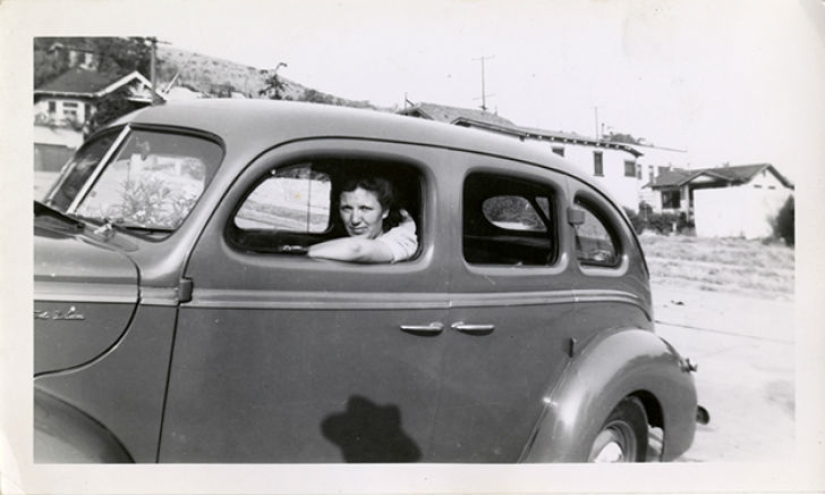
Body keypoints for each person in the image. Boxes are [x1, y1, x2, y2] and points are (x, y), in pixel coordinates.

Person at [307, 176, 417, 263]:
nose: (355, 220)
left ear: (385, 212)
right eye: (347, 208)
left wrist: (302, 252)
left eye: (365, 208)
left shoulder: (402, 239)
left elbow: (355, 249)